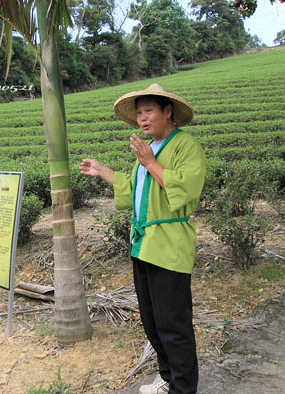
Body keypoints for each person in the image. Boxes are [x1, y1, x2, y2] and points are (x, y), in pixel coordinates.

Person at [79, 83, 206, 394]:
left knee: (173, 324)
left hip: (168, 244)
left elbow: (186, 188)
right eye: (138, 113)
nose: (142, 118)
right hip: (144, 244)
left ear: (167, 111)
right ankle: (167, 377)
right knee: (152, 321)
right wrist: (102, 170)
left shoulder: (185, 146)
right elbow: (137, 188)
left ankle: (183, 389)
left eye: (148, 110)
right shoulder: (151, 150)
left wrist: (150, 162)